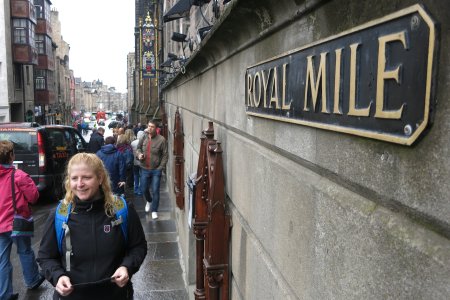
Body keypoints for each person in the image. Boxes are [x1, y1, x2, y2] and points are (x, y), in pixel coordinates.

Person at [37, 153, 147, 300]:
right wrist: (57, 276)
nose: (79, 184)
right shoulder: (59, 215)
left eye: (86, 177)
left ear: (100, 178)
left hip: (116, 295)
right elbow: (45, 257)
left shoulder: (121, 210)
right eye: (74, 178)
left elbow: (138, 246)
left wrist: (127, 267)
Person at [0, 140, 45, 300]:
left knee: (2, 260)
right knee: (24, 251)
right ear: (11, 156)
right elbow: (33, 197)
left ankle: (4, 294)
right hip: (17, 222)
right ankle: (32, 280)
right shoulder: (19, 176)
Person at [136, 120, 168, 219]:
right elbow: (138, 148)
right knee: (143, 189)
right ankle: (149, 201)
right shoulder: (143, 137)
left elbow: (165, 155)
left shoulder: (162, 140)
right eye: (149, 126)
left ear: (156, 128)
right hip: (144, 168)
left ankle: (154, 210)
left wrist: (160, 168)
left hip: (156, 170)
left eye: (152, 127)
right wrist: (139, 154)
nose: (150, 128)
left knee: (155, 190)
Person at [131, 131, 145, 196]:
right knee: (142, 176)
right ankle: (141, 190)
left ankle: (136, 189)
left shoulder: (133, 143)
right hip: (142, 162)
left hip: (135, 162)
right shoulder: (145, 142)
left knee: (136, 175)